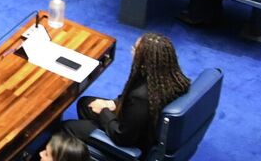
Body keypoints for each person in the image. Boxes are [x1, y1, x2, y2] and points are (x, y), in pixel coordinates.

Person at [62, 32, 191, 147]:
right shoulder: (173, 79)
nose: (132, 51)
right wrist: (114, 103)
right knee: (85, 104)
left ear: (145, 59)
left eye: (135, 49)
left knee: (67, 127)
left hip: (132, 141)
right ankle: (91, 146)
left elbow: (123, 137)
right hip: (144, 124)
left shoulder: (141, 97)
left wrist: (104, 111)